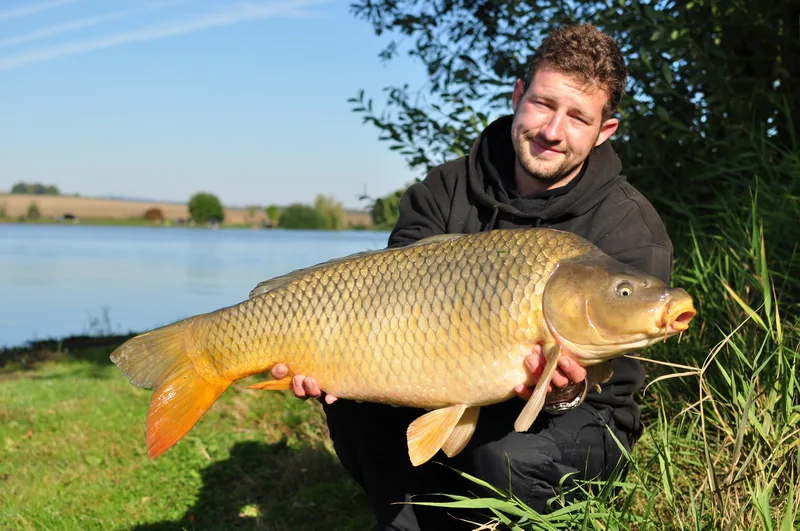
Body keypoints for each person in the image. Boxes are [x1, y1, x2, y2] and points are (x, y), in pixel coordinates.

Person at [271, 23, 673, 529]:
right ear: (518, 95)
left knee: (504, 457)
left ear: (603, 131)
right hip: (441, 374)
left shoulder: (629, 226)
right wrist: (330, 360)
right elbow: (383, 300)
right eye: (544, 104)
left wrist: (567, 391)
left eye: (577, 118)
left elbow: (618, 385)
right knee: (354, 405)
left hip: (584, 416)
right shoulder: (445, 189)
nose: (552, 131)